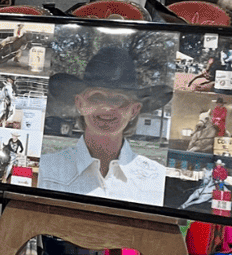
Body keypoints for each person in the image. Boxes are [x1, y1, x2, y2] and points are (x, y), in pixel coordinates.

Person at [38, 45, 170, 203]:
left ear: (134, 110)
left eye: (119, 99)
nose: (107, 108)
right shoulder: (45, 170)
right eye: (96, 97)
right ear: (80, 104)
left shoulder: (158, 179)